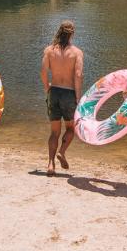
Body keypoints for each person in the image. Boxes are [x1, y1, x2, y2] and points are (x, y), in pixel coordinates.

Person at [40, 20, 84, 176]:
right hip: (68, 93)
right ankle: (62, 151)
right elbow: (78, 75)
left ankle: (50, 164)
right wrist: (78, 97)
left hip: (54, 92)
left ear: (59, 31)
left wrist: (47, 89)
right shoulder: (77, 53)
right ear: (72, 33)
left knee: (54, 132)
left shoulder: (49, 51)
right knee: (71, 128)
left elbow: (43, 72)